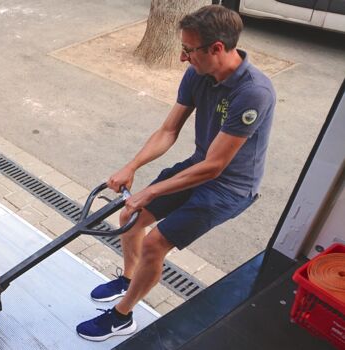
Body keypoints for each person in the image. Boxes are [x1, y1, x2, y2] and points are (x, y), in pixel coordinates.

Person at [76, 5, 276, 341]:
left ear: (216, 49)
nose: (183, 58)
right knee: (130, 214)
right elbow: (169, 130)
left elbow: (216, 166)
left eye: (188, 50)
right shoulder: (199, 72)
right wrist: (132, 166)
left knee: (155, 243)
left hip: (229, 188)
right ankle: (128, 278)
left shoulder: (253, 92)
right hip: (199, 166)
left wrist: (151, 191)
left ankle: (122, 316)